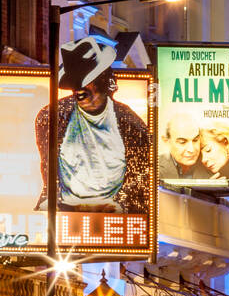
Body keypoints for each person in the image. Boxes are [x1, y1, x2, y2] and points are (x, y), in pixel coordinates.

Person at [34, 35, 149, 213]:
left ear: (102, 80)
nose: (79, 89)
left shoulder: (131, 124)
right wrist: (52, 201)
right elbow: (47, 168)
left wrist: (122, 204)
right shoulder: (50, 117)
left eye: (86, 80)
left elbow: (140, 174)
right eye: (74, 82)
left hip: (114, 213)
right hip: (64, 210)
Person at [158, 113, 203, 179]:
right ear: (166, 141)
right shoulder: (154, 168)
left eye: (195, 140)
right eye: (182, 142)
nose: (191, 149)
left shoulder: (211, 165)